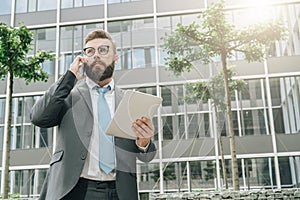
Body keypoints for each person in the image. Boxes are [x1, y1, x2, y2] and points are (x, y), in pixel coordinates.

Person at [30, 29, 157, 200]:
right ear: (83, 59)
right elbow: (39, 118)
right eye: (90, 51)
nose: (96, 55)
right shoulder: (68, 95)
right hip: (74, 191)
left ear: (115, 58)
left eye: (103, 50)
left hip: (120, 192)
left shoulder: (130, 102)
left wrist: (144, 142)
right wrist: (70, 76)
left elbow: (147, 156)